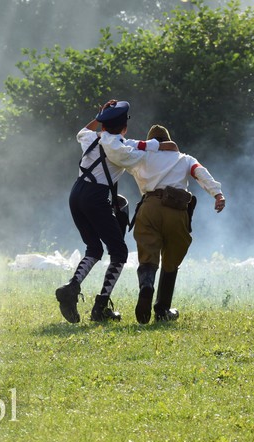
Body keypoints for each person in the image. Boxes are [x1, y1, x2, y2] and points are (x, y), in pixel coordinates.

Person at [55, 100, 177, 324]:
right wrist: (162, 146)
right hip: (95, 197)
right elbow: (139, 152)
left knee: (94, 248)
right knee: (119, 253)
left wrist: (99, 116)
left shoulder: (94, 137)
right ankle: (100, 307)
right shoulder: (121, 151)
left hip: (76, 194)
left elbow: (83, 132)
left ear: (103, 125)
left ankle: (70, 289)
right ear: (125, 127)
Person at [126, 124, 226, 324]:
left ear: (153, 142)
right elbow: (200, 173)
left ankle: (146, 286)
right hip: (176, 210)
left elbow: (119, 159)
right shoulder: (185, 159)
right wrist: (217, 194)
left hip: (149, 207)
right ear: (168, 140)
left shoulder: (142, 157)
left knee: (148, 255)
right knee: (171, 259)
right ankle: (162, 310)